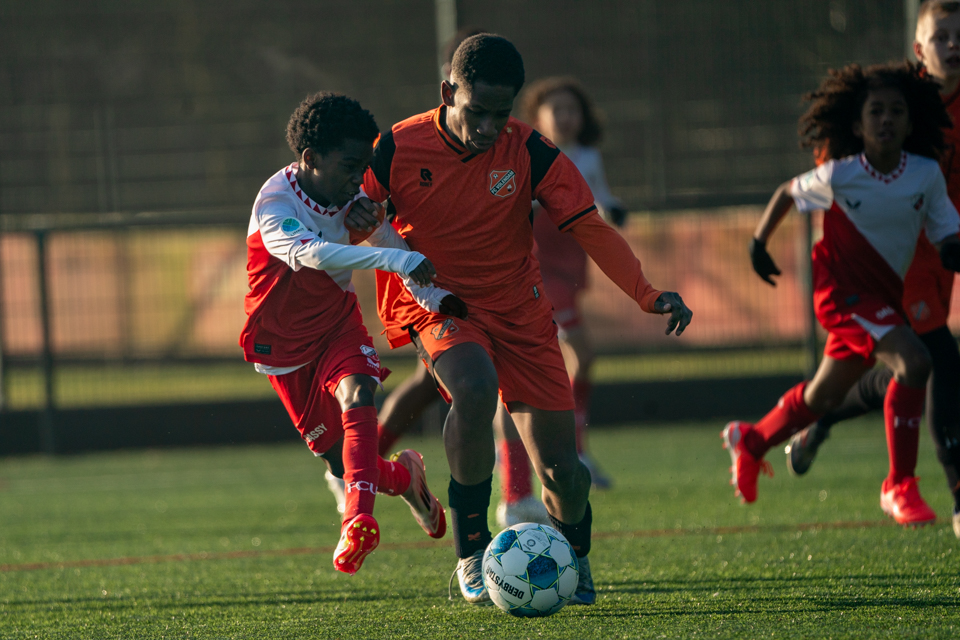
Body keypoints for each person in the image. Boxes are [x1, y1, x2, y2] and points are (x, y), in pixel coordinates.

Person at [348, 34, 692, 605]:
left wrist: (647, 294)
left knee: (561, 472)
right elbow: (348, 212)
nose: (488, 126)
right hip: (439, 304)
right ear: (447, 93)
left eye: (500, 113)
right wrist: (353, 218)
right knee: (474, 388)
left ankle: (574, 556)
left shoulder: (530, 150)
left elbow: (590, 226)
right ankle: (471, 551)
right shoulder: (396, 147)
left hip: (522, 311)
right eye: (476, 111)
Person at [727, 61, 960, 526]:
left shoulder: (926, 175)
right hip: (840, 296)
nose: (886, 119)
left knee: (824, 397)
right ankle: (899, 485)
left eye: (896, 111)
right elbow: (788, 193)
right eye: (876, 111)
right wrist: (758, 243)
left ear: (910, 123)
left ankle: (751, 441)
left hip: (883, 302)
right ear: (857, 125)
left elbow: (947, 237)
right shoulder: (840, 175)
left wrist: (954, 250)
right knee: (915, 362)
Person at [239, 92, 462, 575]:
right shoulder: (275, 203)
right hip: (283, 349)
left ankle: (356, 520)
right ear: (310, 158)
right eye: (348, 166)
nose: (358, 179)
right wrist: (394, 258)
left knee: (359, 392)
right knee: (343, 464)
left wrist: (431, 295)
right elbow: (314, 254)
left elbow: (388, 241)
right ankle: (406, 479)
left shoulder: (352, 200)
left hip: (338, 325)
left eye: (363, 167)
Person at [783, 0, 960, 539]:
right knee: (938, 360)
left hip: (945, 251)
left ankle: (820, 418)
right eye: (943, 36)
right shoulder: (894, 101)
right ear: (919, 49)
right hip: (894, 261)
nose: (954, 45)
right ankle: (950, 497)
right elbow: (837, 164)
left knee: (897, 368)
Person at [517, 76, 630, 491]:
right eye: (557, 109)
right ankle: (566, 451)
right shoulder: (530, 154)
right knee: (578, 356)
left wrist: (614, 210)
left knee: (576, 361)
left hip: (571, 264)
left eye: (572, 110)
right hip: (539, 268)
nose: (565, 117)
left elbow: (599, 197)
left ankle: (567, 450)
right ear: (538, 117)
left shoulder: (587, 156)